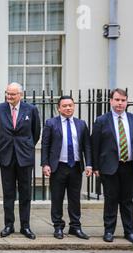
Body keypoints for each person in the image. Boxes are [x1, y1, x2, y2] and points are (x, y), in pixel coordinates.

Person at [91, 88, 133, 245]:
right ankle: (109, 231)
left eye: (123, 100)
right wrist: (95, 166)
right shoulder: (101, 120)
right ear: (111, 101)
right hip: (109, 167)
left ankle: (129, 231)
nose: (120, 103)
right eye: (117, 100)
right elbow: (95, 145)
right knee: (111, 200)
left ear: (127, 101)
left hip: (130, 166)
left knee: (127, 201)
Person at [0, 82, 41, 240]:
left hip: (24, 157)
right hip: (6, 156)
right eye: (7, 93)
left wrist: (25, 147)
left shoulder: (31, 109)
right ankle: (9, 224)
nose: (9, 97)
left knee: (25, 193)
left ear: (21, 95)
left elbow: (36, 132)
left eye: (12, 94)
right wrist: (6, 146)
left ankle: (25, 226)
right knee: (8, 193)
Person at [41, 96, 92, 240]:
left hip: (76, 166)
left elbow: (87, 145)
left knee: (75, 199)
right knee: (57, 198)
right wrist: (45, 164)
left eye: (70, 105)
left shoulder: (81, 124)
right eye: (64, 106)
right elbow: (45, 145)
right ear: (59, 108)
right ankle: (58, 227)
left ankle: (75, 227)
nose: (68, 108)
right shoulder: (51, 123)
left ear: (74, 106)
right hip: (58, 167)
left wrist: (89, 164)